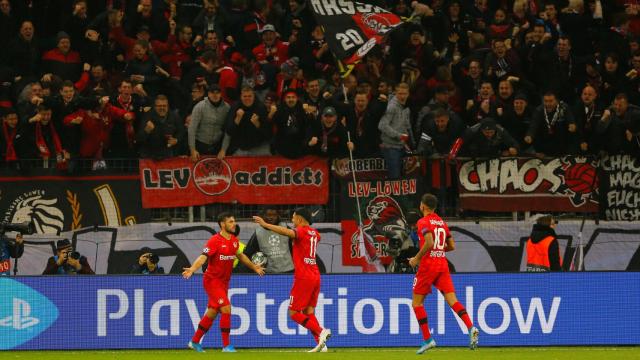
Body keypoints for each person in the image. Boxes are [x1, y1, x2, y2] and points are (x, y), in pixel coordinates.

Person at [182, 212, 265, 353]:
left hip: (224, 283)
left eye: (234, 221)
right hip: (212, 281)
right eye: (231, 221)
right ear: (222, 224)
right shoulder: (214, 240)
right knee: (226, 308)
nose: (234, 224)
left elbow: (241, 255)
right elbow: (203, 257)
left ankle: (194, 342)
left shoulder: (233, 240)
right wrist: (192, 269)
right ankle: (226, 346)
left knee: (212, 312)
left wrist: (254, 267)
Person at [253, 207, 332, 352]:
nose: (292, 220)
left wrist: (265, 225)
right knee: (308, 311)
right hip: (315, 275)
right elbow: (307, 237)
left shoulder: (300, 231)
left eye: (294, 217)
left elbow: (287, 232)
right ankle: (322, 345)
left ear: (300, 219)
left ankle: (321, 331)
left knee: (294, 313)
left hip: (303, 277)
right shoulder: (315, 233)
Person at [408, 194, 479, 354]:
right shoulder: (441, 222)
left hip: (428, 266)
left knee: (417, 304)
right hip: (442, 265)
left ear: (423, 206)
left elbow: (429, 242)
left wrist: (416, 259)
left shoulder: (423, 222)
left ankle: (428, 340)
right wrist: (438, 251)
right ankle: (471, 327)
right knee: (453, 300)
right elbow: (452, 246)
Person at [243, 208, 294, 274]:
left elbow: (295, 248)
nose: (271, 217)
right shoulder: (258, 233)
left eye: (274, 215)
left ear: (278, 216)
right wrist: (255, 266)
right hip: (269, 273)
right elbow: (247, 253)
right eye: (268, 215)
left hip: (288, 271)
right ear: (263, 216)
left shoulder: (286, 229)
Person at [379, 82, 413, 179]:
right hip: (390, 147)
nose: (402, 96)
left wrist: (412, 143)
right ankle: (394, 194)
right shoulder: (391, 107)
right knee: (395, 178)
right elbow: (382, 125)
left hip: (402, 146)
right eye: (400, 94)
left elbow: (407, 126)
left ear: (408, 94)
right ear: (395, 93)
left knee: (406, 176)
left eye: (405, 94)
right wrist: (399, 135)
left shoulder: (406, 108)